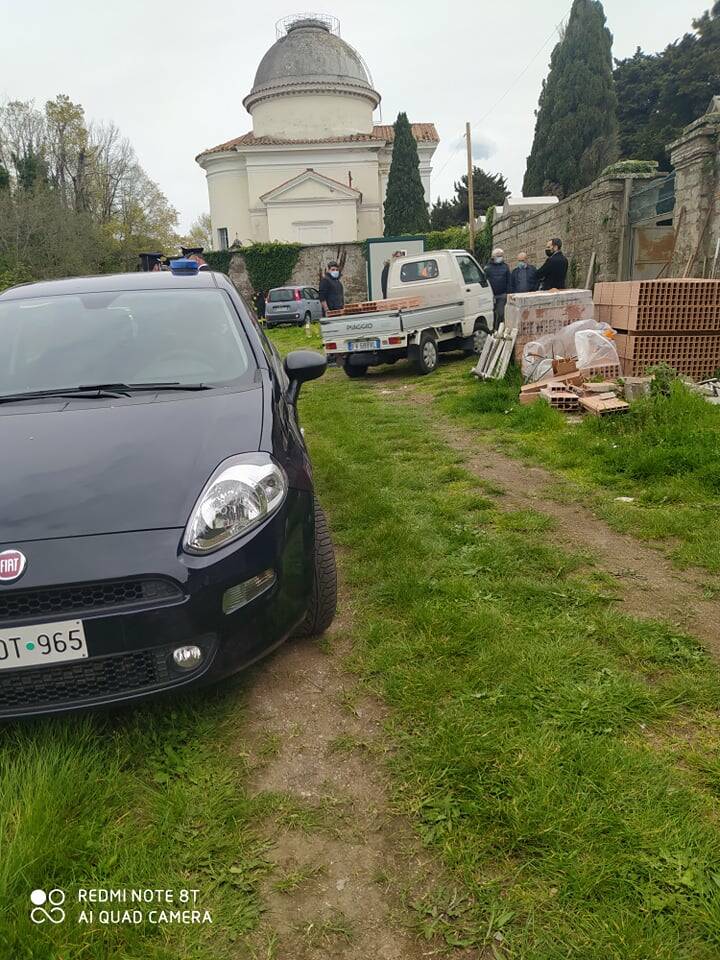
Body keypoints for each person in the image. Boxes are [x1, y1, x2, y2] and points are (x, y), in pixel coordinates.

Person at [485, 248, 512, 327]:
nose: (500, 257)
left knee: (501, 313)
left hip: (502, 294)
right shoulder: (487, 268)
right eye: (498, 256)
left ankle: (499, 329)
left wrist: (508, 293)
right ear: (493, 257)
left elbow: (509, 280)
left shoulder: (505, 267)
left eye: (501, 256)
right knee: (491, 314)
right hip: (491, 295)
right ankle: (492, 329)